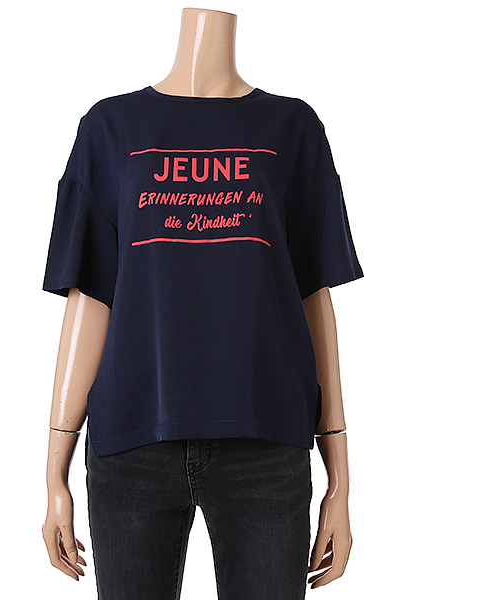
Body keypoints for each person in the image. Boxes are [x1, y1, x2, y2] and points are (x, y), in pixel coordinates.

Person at [41, 7, 363, 600]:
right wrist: (55, 463)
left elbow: (313, 299)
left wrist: (340, 477)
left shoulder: (292, 127)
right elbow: (91, 296)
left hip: (266, 443)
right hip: (133, 441)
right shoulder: (111, 127)